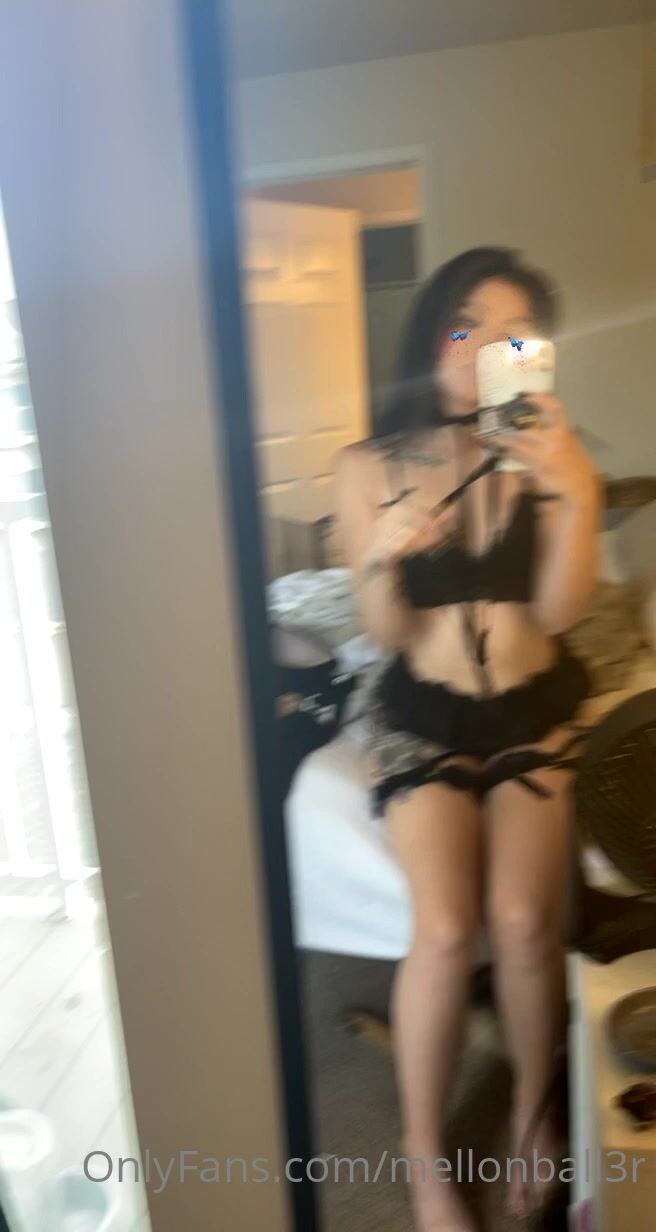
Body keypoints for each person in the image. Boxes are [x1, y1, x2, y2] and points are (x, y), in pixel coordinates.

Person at [334, 247, 600, 1231]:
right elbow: (385, 634)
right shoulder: (367, 465)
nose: (481, 347)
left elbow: (560, 610)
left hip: (532, 706)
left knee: (525, 921)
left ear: (536, 354)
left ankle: (533, 1111)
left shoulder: (552, 454)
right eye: (463, 325)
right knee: (446, 930)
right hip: (426, 715)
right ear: (430, 338)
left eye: (512, 334)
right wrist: (377, 559)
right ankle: (422, 1156)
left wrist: (571, 492)